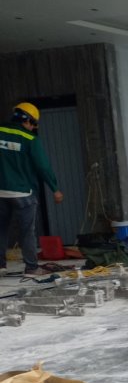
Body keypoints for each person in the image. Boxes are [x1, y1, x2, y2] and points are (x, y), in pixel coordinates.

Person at [0, 103, 64, 276]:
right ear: (27, 120)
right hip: (23, 192)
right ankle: (31, 267)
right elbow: (42, 166)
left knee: (1, 228)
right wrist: (55, 188)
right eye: (34, 123)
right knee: (27, 231)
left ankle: (0, 266)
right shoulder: (29, 139)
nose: (34, 127)